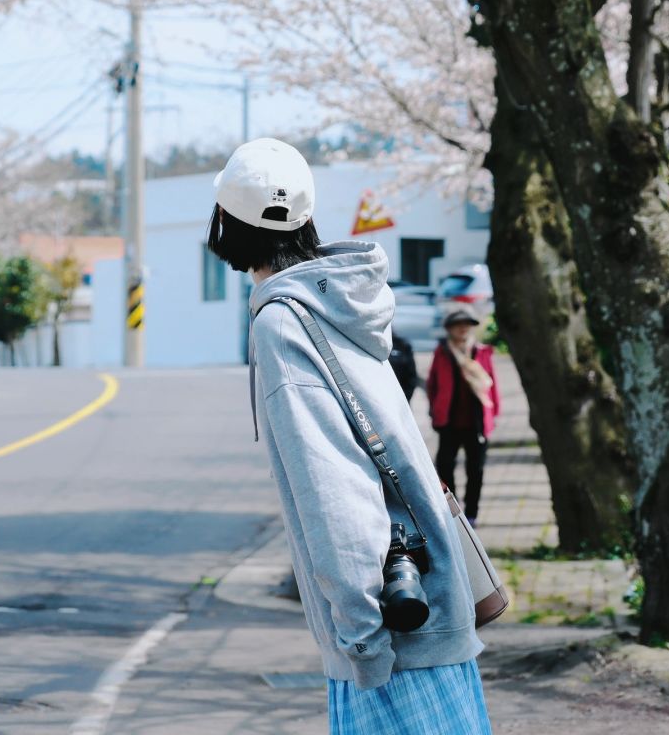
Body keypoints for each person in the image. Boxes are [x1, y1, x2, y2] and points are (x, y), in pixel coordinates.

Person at [208, 137, 492, 735]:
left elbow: (333, 486)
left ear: (225, 221)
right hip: (429, 602)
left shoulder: (283, 323)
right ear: (307, 219)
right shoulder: (342, 298)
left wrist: (362, 642)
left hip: (392, 637)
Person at [426, 311, 500, 527]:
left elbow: (492, 385)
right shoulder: (442, 353)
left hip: (476, 423)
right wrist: (435, 410)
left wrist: (492, 416)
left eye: (467, 325)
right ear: (449, 329)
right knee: (445, 466)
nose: (463, 329)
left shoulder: (482, 352)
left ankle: (472, 513)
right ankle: (453, 508)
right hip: (449, 422)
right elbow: (433, 384)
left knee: (475, 469)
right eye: (458, 325)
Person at [389, 330, 419, 403]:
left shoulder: (402, 345)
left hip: (401, 399)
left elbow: (411, 375)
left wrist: (405, 399)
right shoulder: (367, 346)